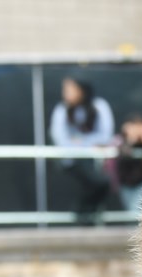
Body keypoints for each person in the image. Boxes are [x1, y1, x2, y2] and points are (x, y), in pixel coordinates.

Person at [49, 77, 115, 221]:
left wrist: (80, 142)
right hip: (71, 162)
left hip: (94, 161)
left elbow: (105, 137)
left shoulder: (99, 106)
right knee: (94, 184)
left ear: (81, 90)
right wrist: (87, 144)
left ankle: (83, 214)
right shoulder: (62, 110)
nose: (65, 94)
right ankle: (81, 215)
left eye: (69, 89)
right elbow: (60, 139)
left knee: (101, 183)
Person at [108, 112, 142, 212]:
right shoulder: (120, 141)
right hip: (127, 184)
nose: (138, 130)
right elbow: (122, 157)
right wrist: (131, 141)